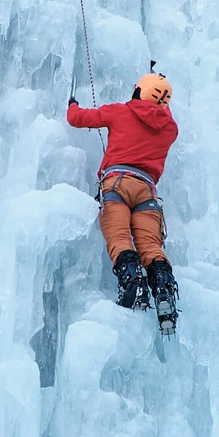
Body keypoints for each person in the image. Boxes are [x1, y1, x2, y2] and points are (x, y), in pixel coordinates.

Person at [67, 72, 179, 332]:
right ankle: (163, 291)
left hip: (117, 183)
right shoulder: (170, 128)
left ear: (138, 91)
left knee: (119, 239)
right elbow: (162, 112)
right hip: (147, 192)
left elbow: (77, 119)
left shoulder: (120, 111)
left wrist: (72, 103)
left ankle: (133, 285)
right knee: (151, 247)